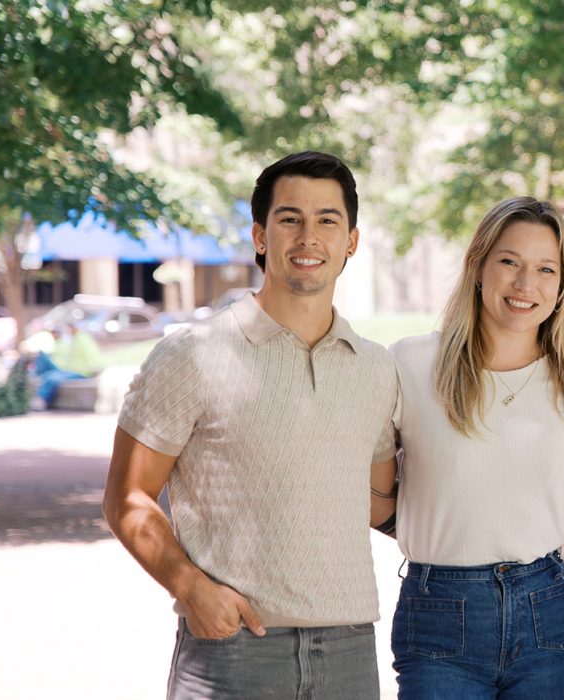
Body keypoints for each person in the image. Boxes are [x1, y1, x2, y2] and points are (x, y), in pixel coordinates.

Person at [102, 151, 399, 699]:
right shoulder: (191, 355)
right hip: (233, 647)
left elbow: (378, 503)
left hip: (350, 652)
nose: (309, 236)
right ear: (261, 236)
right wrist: (191, 589)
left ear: (351, 241)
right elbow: (127, 497)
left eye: (327, 220)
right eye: (290, 219)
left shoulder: (377, 367)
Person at [387, 197, 564, 699]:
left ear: (562, 285)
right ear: (479, 266)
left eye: (546, 269)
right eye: (509, 262)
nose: (526, 285)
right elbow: (374, 485)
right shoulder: (412, 364)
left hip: (545, 608)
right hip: (441, 609)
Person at [29, 324, 104, 410]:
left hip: (80, 372)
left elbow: (92, 354)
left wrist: (96, 368)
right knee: (48, 375)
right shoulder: (74, 339)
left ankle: (42, 400)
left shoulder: (82, 339)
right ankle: (40, 398)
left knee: (53, 378)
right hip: (69, 370)